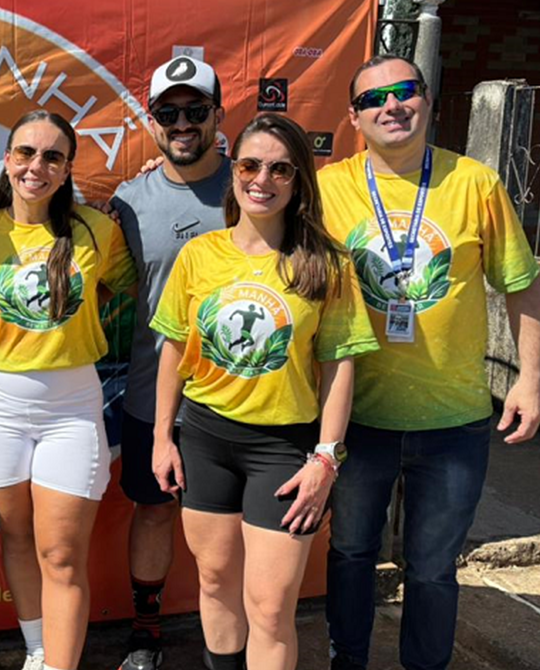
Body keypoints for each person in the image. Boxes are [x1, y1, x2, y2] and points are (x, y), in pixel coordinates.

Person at [321, 56, 540, 670]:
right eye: (373, 99)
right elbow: (252, 217)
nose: (391, 106)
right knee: (351, 554)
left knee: (432, 568)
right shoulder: (326, 188)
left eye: (405, 91)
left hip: (453, 421)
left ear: (427, 99)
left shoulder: (475, 183)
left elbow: (523, 285)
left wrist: (530, 380)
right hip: (357, 418)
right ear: (354, 118)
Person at [151, 113, 379, 670]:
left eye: (280, 169)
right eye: (250, 165)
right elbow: (174, 351)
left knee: (272, 609)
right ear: (233, 170)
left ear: (299, 180)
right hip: (204, 439)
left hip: (283, 448)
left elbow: (339, 365)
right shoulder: (199, 254)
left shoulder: (326, 263)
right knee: (214, 583)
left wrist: (326, 458)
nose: (262, 179)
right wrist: (162, 437)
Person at [0, 110, 138, 670]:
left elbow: (133, 285)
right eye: (26, 153)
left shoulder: (96, 231)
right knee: (16, 538)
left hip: (72, 409)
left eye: (53, 156)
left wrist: (82, 310)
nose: (37, 166)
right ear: (7, 161)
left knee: (60, 553)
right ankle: (37, 650)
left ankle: (60, 663)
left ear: (67, 168)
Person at [108, 55, 232, 670]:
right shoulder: (128, 202)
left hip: (237, 400)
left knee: (228, 533)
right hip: (150, 396)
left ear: (218, 115)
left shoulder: (255, 185)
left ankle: (229, 643)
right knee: (153, 513)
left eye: (195, 110)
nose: (182, 123)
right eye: (168, 112)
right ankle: (146, 633)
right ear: (152, 121)